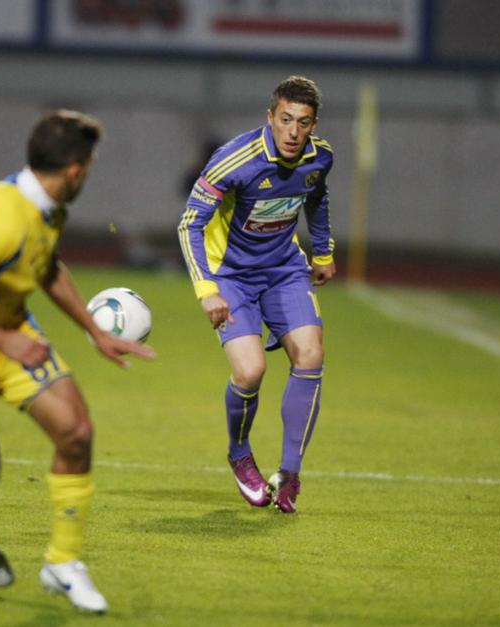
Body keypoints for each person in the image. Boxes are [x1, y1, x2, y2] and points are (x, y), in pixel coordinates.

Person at [0, 110, 155, 612]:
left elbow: (46, 266)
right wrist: (2, 339)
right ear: (74, 170)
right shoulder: (0, 220)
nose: (89, 175)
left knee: (76, 433)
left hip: (11, 334)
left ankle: (62, 563)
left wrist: (94, 331)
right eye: (90, 166)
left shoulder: (46, 205)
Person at [177, 76, 335, 513]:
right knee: (250, 372)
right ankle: (240, 453)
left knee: (311, 354)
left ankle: (289, 474)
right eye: (285, 119)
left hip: (284, 271)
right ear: (270, 117)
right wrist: (207, 290)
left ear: (313, 125)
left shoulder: (320, 157)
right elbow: (189, 223)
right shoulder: (235, 160)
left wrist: (323, 251)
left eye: (303, 123)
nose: (293, 132)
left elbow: (317, 197)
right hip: (230, 276)